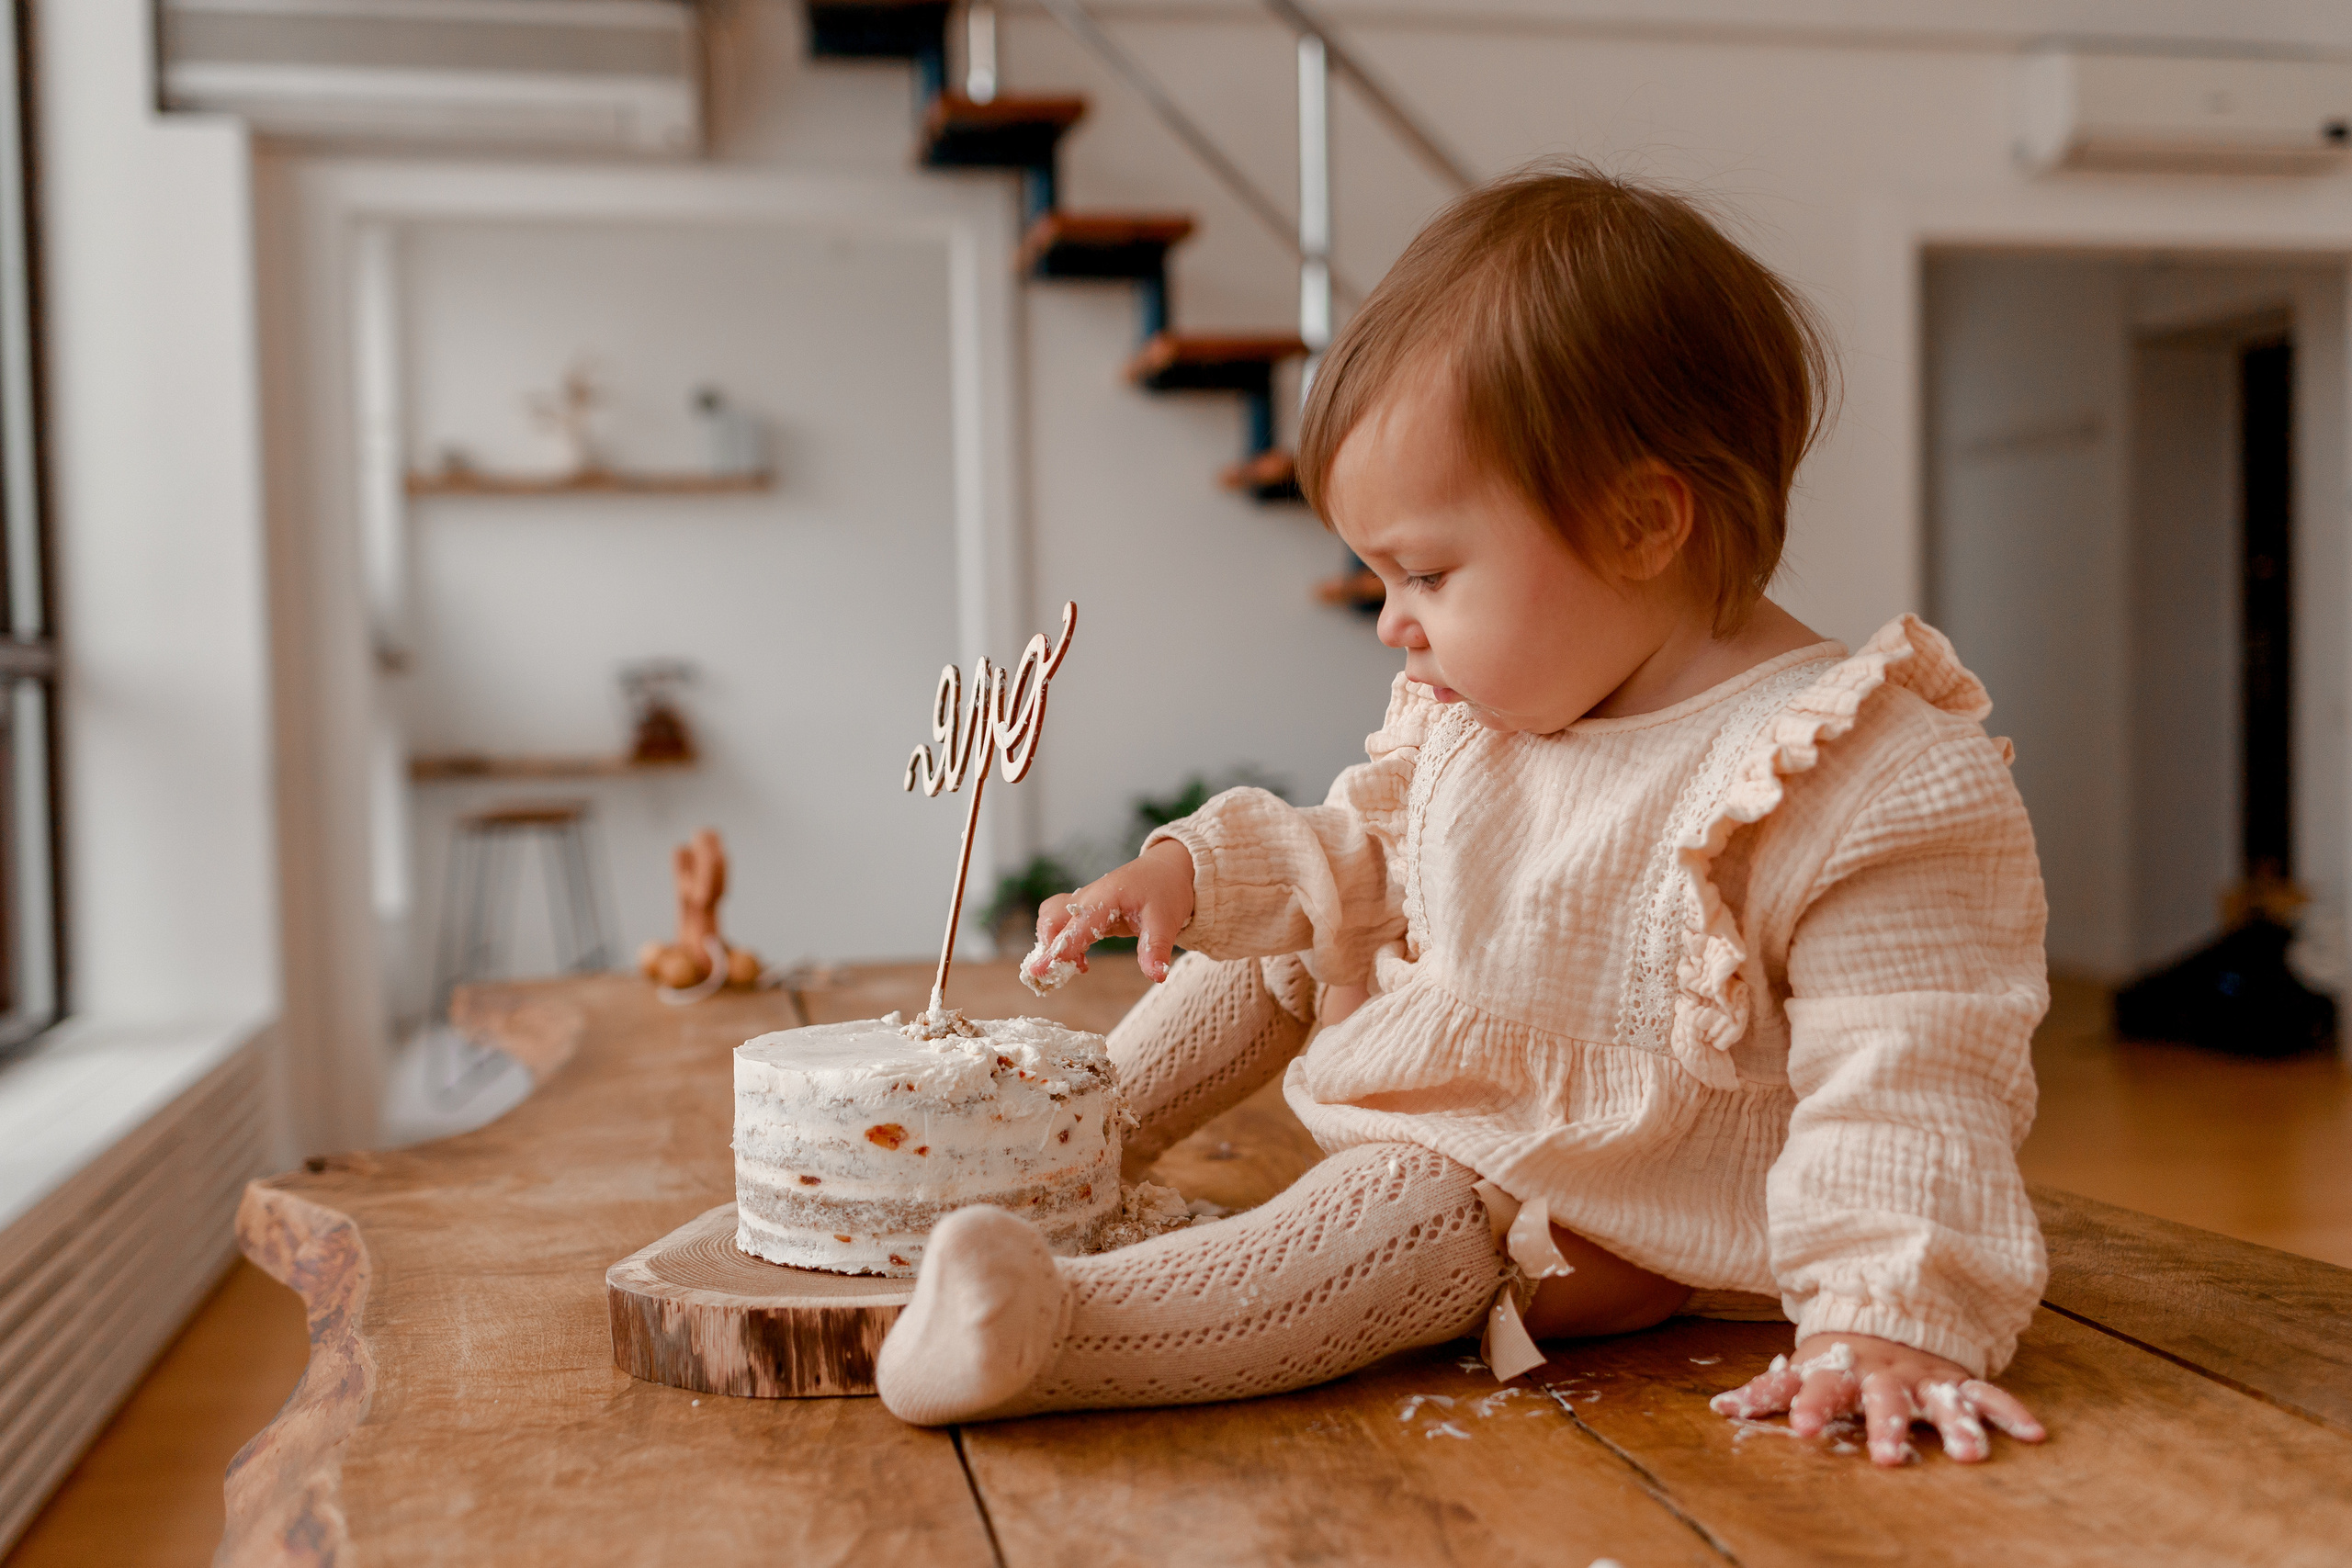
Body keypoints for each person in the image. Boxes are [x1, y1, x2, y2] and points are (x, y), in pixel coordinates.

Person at [874, 164, 2050, 1467]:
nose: (1394, 620)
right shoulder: (1495, 717)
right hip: (1469, 1098)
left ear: (1643, 521)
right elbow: (1361, 858)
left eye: (1426, 572)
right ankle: (1058, 1155)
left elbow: (1917, 1070)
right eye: (1378, 576)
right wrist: (1190, 876)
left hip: (1597, 1204)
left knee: (1404, 1208)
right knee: (1290, 940)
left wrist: (1885, 1316)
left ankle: (1061, 1332)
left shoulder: (1854, 771)